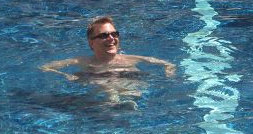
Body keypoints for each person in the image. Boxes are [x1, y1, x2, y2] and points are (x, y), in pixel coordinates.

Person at [40, 16, 176, 108]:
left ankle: (124, 103)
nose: (111, 38)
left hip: (130, 87)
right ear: (91, 42)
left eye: (114, 34)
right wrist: (66, 75)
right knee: (106, 85)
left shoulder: (131, 58)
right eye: (104, 35)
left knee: (129, 88)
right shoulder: (81, 61)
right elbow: (45, 67)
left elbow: (168, 64)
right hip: (103, 89)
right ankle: (115, 104)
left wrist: (169, 72)